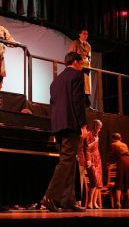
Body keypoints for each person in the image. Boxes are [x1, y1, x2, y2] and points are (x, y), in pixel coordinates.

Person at [40, 51, 87, 212]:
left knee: (69, 162)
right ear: (75, 62)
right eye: (81, 63)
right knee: (66, 162)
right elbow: (78, 102)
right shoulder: (77, 75)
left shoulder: (55, 82)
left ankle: (68, 200)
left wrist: (53, 131)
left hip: (58, 126)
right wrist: (83, 125)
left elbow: (52, 106)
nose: (82, 66)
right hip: (70, 124)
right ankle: (49, 196)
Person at [108, 132, 129, 209]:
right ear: (120, 138)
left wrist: (111, 164)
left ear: (113, 139)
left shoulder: (113, 144)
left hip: (122, 161)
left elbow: (113, 155)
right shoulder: (124, 144)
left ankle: (118, 203)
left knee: (119, 181)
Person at [68, 29, 92, 107]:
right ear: (80, 34)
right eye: (84, 33)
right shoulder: (75, 43)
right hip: (78, 66)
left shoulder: (88, 45)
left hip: (86, 67)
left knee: (86, 86)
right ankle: (77, 103)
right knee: (78, 85)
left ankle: (86, 104)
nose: (86, 35)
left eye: (87, 34)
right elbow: (71, 55)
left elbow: (89, 57)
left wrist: (89, 66)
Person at [85, 119, 103, 209]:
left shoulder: (97, 135)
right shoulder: (89, 134)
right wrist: (96, 141)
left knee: (98, 182)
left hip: (97, 159)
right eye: (99, 127)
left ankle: (94, 202)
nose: (100, 129)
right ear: (95, 126)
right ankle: (89, 202)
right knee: (94, 180)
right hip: (91, 159)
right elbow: (87, 147)